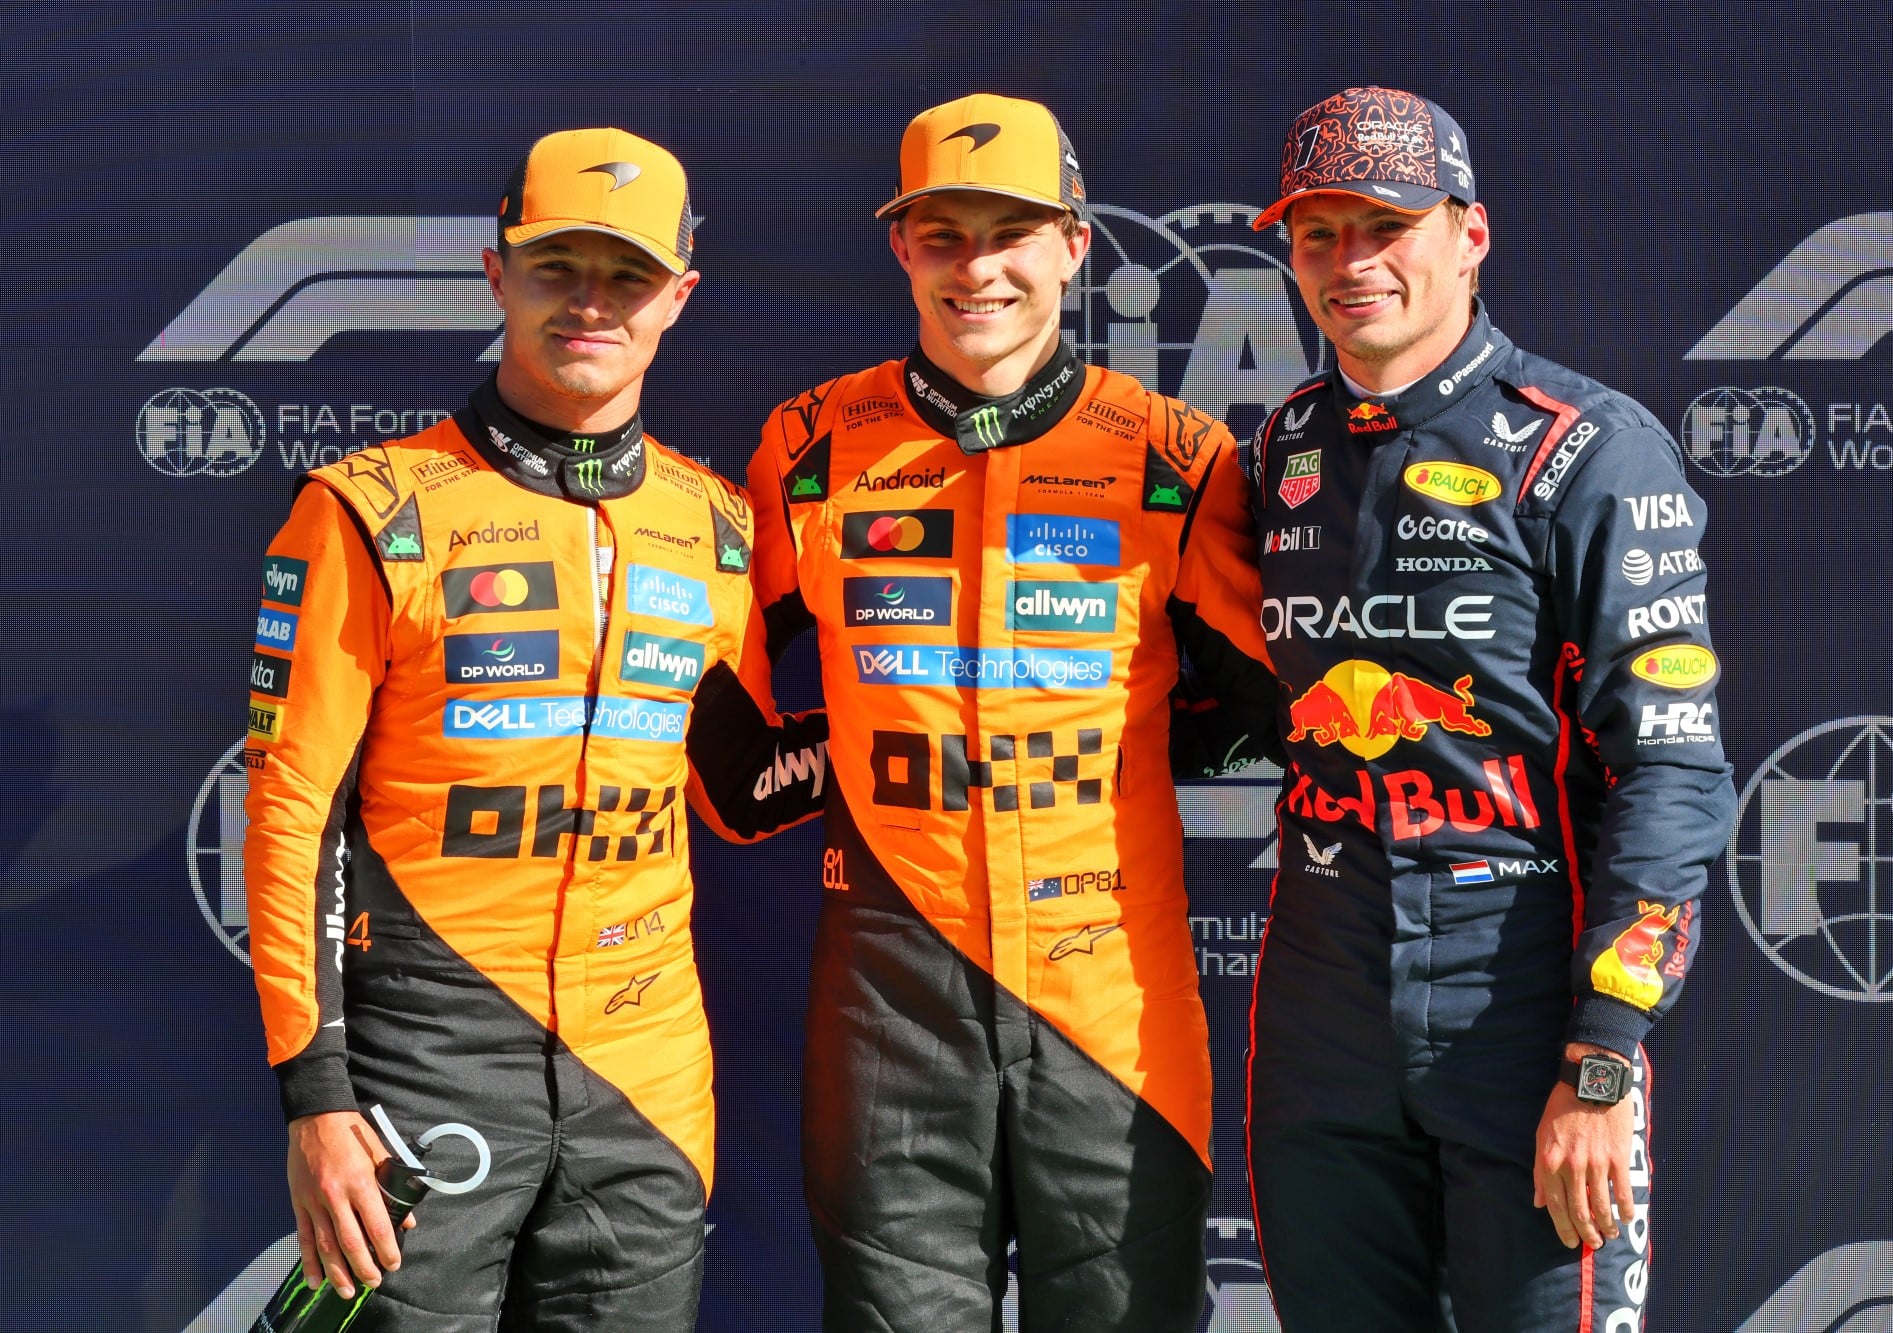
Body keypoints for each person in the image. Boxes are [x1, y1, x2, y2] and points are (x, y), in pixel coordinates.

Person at [243, 126, 826, 1331]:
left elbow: (739, 781)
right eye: (558, 266)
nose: (590, 304)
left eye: (625, 274)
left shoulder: (714, 527)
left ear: (680, 294)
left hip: (647, 1071)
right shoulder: (371, 510)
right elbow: (294, 809)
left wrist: (940, 714)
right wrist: (314, 1097)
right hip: (425, 1059)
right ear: (497, 271)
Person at [742, 93, 1278, 1330]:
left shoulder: (1174, 455)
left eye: (1013, 233)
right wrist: (859, 755)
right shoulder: (807, 449)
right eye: (942, 235)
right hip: (889, 995)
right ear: (899, 247)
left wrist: (1124, 748)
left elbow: (1266, 705)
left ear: (1074, 245)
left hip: (1111, 994)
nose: (977, 268)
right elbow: (726, 715)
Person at [1239, 87, 1734, 1331]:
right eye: (1317, 233)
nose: (1349, 263)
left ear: (1468, 233)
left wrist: (1603, 1051)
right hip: (1318, 1001)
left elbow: (1671, 774)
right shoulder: (1280, 449)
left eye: (1384, 224)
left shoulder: (1585, 450)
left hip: (1516, 1003)